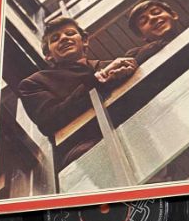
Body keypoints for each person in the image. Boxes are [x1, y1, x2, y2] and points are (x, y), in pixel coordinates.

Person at [18, 16, 137, 169]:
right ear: (48, 55)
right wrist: (99, 79)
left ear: (85, 40)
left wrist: (133, 63)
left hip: (135, 130)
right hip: (90, 151)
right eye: (55, 39)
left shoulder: (112, 65)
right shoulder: (34, 83)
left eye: (70, 33)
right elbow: (49, 121)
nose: (63, 38)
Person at [126, 0, 180, 64]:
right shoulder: (138, 59)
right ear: (141, 35)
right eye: (143, 21)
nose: (152, 18)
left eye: (156, 12)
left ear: (173, 15)